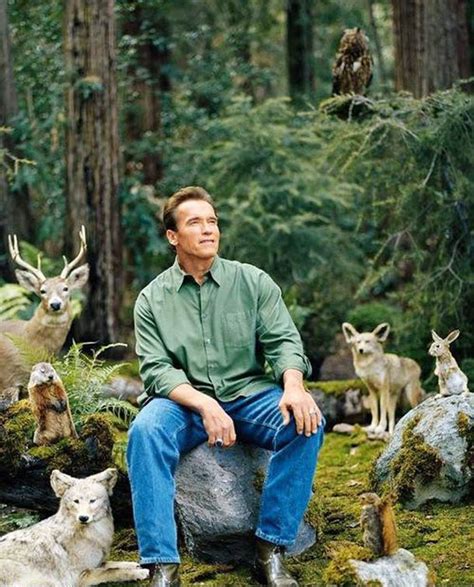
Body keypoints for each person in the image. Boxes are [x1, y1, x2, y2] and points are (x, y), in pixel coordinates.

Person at [127, 186, 325, 587]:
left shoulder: (252, 282)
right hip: (183, 403)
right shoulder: (151, 300)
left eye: (213, 221)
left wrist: (294, 386)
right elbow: (157, 371)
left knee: (307, 423)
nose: (208, 230)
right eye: (195, 222)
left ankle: (271, 548)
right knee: (145, 432)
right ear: (172, 236)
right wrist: (204, 404)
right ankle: (162, 564)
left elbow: (284, 342)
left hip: (250, 395)